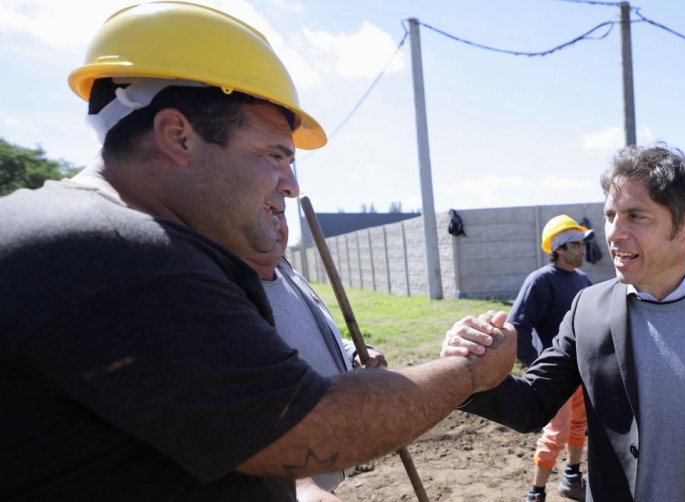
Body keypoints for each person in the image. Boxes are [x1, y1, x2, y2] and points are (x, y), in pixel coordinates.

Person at [0, 3, 517, 500]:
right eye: (275, 155)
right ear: (178, 136)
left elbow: (205, 431)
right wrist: (473, 372)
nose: (291, 186)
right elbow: (308, 427)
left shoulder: (99, 241)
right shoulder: (118, 252)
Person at [443, 142, 685, 501]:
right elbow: (533, 404)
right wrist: (470, 372)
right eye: (610, 215)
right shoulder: (588, 307)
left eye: (636, 216)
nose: (615, 233)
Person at [246, 211, 387, 501]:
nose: (276, 225)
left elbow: (322, 334)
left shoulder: (288, 274)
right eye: (264, 211)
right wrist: (299, 485)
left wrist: (356, 354)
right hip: (289, 481)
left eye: (280, 214)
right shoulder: (237, 291)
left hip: (324, 469)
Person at [510, 214, 594, 502]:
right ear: (558, 249)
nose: (582, 250)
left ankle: (571, 476)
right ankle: (536, 493)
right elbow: (519, 324)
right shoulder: (540, 281)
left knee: (579, 426)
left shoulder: (582, 280)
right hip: (556, 374)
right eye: (576, 245)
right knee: (556, 433)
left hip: (582, 370)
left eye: (583, 244)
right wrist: (536, 367)